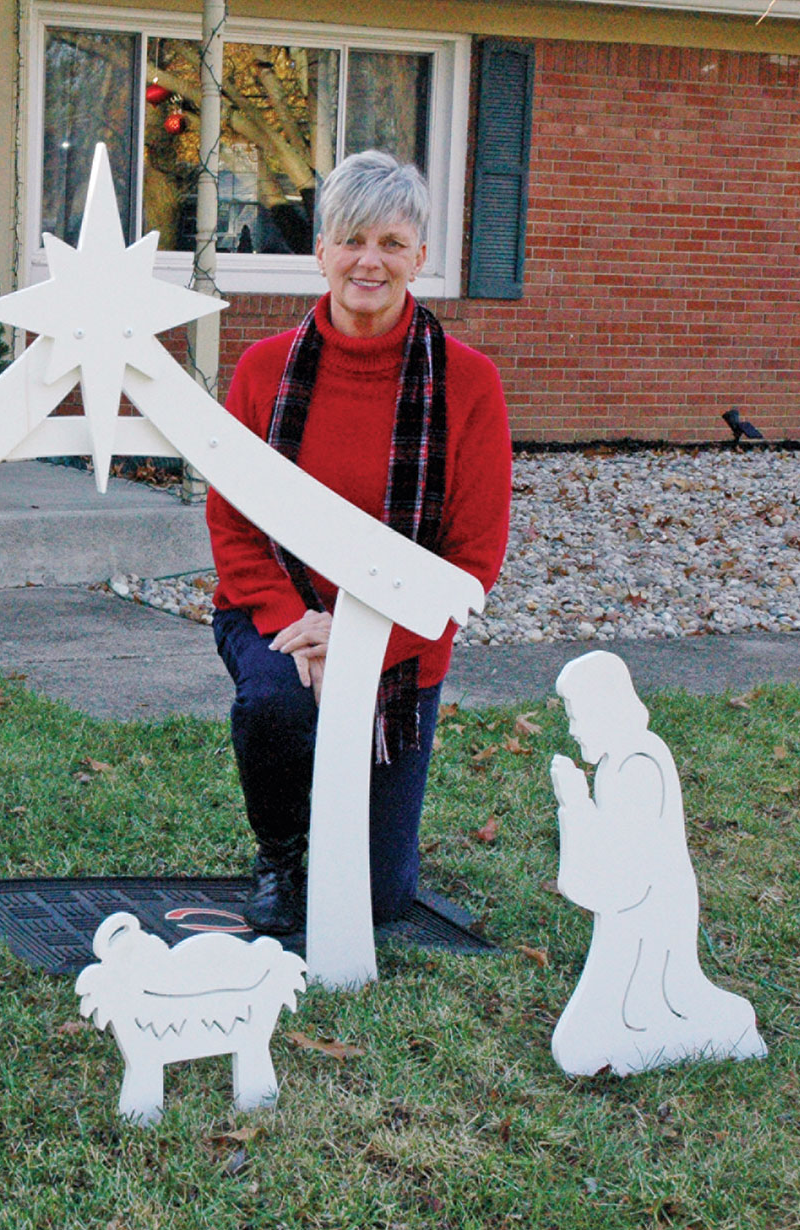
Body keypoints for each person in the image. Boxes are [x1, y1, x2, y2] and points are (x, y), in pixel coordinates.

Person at [205, 150, 511, 936]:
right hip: (278, 618)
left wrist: (365, 638)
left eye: (391, 242)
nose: (368, 261)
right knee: (275, 702)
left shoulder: (468, 384)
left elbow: (472, 561)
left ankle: (356, 826)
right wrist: (299, 629)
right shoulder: (263, 370)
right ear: (321, 252)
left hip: (400, 642)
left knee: (375, 902)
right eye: (350, 239)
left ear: (420, 256)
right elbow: (234, 525)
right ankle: (281, 849)